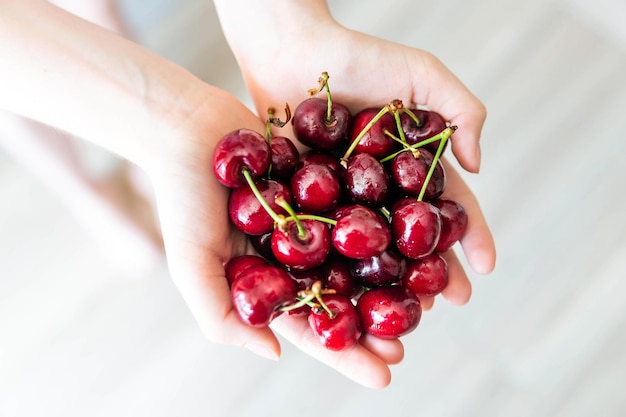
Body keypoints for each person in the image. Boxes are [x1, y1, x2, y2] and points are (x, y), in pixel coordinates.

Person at [0, 0, 496, 389]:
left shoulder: (320, 212)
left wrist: (280, 24)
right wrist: (167, 126)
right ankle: (86, 189)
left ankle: (133, 147)